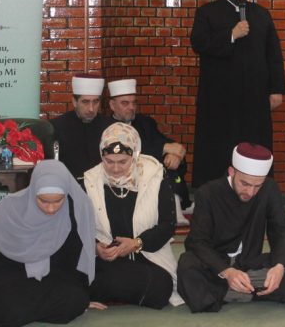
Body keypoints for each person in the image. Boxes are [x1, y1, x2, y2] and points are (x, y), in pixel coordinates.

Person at [190, 0, 285, 188]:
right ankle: (215, 195)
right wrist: (231, 35)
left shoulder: (261, 14)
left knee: (255, 146)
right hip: (219, 100)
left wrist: (277, 90)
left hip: (254, 98)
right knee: (218, 149)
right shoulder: (207, 12)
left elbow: (274, 55)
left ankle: (255, 191)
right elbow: (199, 43)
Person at [0, 160, 96, 326]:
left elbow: (73, 260)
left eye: (58, 201)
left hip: (50, 276)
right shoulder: (10, 208)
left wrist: (79, 295)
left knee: (76, 300)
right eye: (43, 201)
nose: (51, 209)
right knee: (14, 309)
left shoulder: (74, 212)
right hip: (11, 273)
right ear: (33, 190)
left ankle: (22, 309)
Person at [177, 142, 285, 313]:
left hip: (249, 263)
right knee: (187, 266)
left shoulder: (269, 189)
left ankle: (224, 292)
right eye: (245, 184)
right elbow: (197, 242)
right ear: (231, 172)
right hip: (216, 264)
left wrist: (279, 266)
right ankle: (248, 291)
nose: (251, 192)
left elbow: (283, 231)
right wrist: (227, 272)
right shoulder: (208, 193)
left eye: (257, 186)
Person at [83, 123, 183, 308]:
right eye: (108, 161)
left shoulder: (155, 176)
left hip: (147, 256)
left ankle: (111, 291)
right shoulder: (90, 181)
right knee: (85, 275)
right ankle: (125, 290)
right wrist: (96, 248)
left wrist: (136, 243)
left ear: (135, 155)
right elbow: (80, 227)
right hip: (107, 260)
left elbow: (167, 225)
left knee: (161, 286)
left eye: (122, 162)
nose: (115, 169)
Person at [107, 79, 191, 225]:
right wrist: (164, 148)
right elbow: (125, 152)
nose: (131, 107)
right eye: (125, 103)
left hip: (151, 169)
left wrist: (174, 154)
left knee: (169, 163)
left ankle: (177, 206)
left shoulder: (145, 122)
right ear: (112, 105)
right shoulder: (107, 127)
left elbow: (166, 143)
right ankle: (176, 208)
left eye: (134, 103)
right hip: (123, 174)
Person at [51, 74, 113, 178]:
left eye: (95, 102)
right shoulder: (57, 127)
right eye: (85, 102)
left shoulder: (109, 128)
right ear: (74, 102)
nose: (91, 109)